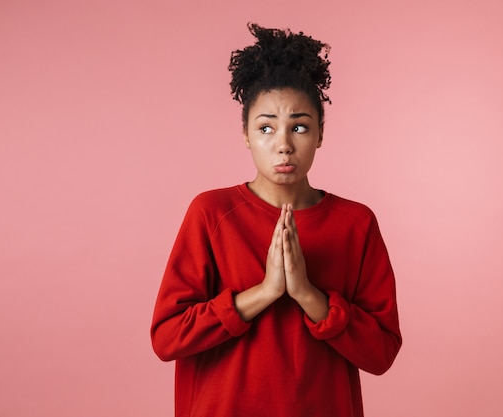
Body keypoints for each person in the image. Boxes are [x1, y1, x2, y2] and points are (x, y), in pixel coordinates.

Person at [151, 23, 402, 417]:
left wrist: (306, 294)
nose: (283, 143)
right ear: (247, 135)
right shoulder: (211, 214)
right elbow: (167, 338)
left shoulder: (356, 224)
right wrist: (265, 292)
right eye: (266, 127)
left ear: (320, 133)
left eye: (299, 126)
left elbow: (382, 353)